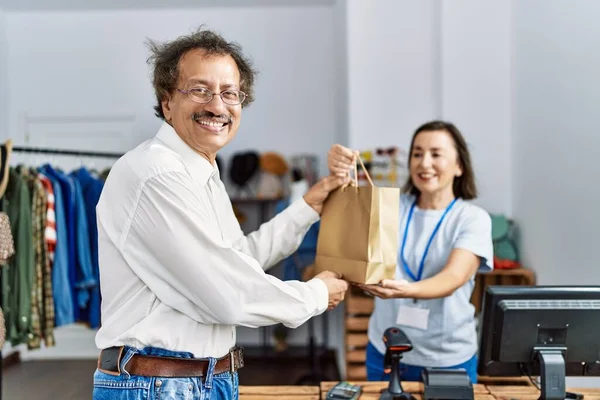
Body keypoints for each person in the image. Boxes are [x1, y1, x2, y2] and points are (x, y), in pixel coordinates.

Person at [92, 27, 349, 399]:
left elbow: (237, 260)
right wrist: (315, 295)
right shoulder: (156, 174)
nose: (217, 106)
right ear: (166, 101)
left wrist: (309, 207)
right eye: (200, 90)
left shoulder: (200, 174)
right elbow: (226, 292)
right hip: (159, 385)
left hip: (195, 380)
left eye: (229, 93)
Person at [328, 121, 493, 384]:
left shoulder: (472, 219)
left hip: (447, 358)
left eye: (436, 154)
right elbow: (351, 240)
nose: (424, 163)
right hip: (385, 351)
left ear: (459, 165)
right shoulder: (391, 207)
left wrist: (405, 290)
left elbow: (453, 277)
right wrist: (339, 172)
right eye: (417, 153)